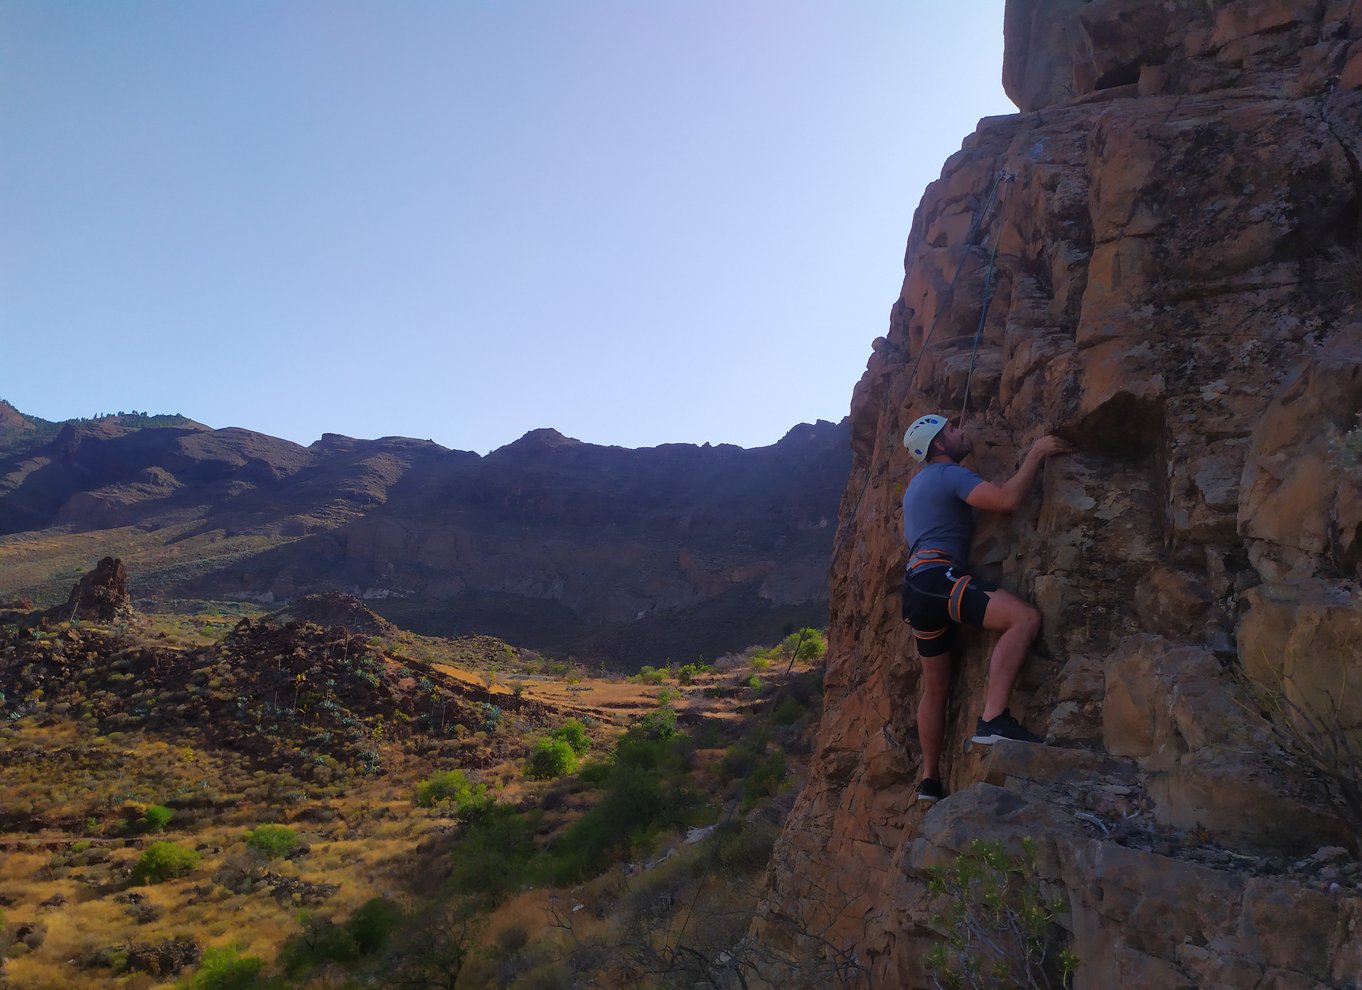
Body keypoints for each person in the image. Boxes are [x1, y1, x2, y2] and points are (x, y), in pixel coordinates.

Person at [900, 413, 1069, 804]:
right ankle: (993, 719)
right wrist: (1037, 453)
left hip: (917, 588)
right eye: (952, 430)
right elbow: (1007, 500)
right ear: (939, 445)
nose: (962, 432)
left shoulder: (916, 486)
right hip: (938, 578)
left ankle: (929, 780)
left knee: (936, 688)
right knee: (1023, 618)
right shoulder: (948, 476)